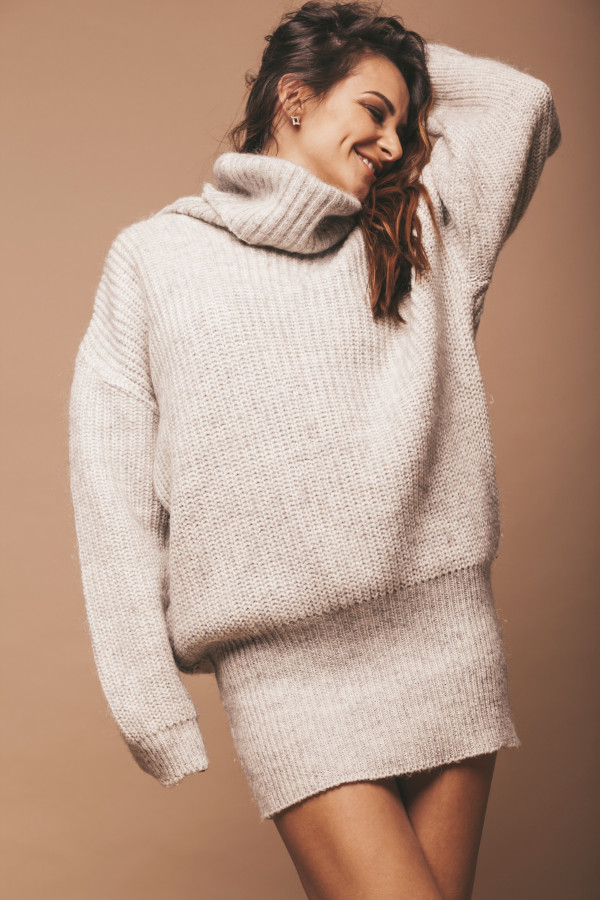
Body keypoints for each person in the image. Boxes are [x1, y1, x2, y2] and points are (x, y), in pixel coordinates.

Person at [67, 1, 561, 897]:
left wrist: (388, 59)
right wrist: (148, 703)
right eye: (373, 111)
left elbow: (520, 103)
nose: (393, 142)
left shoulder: (421, 230)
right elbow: (112, 489)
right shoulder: (153, 261)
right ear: (293, 99)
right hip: (288, 674)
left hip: (442, 638)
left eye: (405, 124)